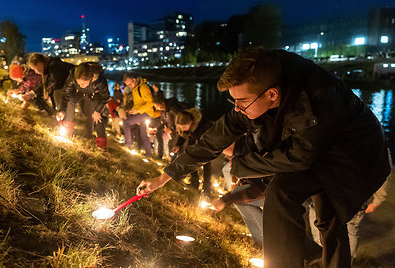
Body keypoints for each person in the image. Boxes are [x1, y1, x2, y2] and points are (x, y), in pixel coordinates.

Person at [137, 48, 391, 268]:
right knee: (294, 199)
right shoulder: (258, 93)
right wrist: (164, 177)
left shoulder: (316, 100)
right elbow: (212, 140)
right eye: (232, 100)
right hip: (312, 146)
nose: (236, 108)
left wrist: (240, 165)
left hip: (354, 152)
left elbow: (298, 158)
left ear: (272, 94)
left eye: (242, 101)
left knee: (323, 210)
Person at [56, 62, 110, 149]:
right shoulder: (73, 77)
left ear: (91, 78)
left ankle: (102, 146)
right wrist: (61, 110)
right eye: (79, 83)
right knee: (70, 101)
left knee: (97, 117)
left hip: (94, 96)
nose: (81, 85)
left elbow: (105, 97)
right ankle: (66, 132)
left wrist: (98, 111)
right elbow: (66, 94)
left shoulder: (100, 81)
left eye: (84, 83)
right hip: (79, 94)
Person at [174, 108, 214, 196]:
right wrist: (178, 145)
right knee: (191, 160)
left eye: (184, 127)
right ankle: (194, 182)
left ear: (191, 122)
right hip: (194, 143)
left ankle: (207, 188)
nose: (183, 129)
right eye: (181, 127)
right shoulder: (187, 127)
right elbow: (183, 135)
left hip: (207, 146)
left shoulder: (204, 125)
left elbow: (210, 139)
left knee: (206, 165)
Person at [122, 73, 160, 157]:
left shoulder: (143, 88)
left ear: (134, 80)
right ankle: (148, 154)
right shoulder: (135, 88)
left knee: (126, 123)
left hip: (146, 113)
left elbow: (150, 103)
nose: (129, 86)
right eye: (127, 85)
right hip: (141, 113)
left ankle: (128, 145)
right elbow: (138, 103)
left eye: (130, 84)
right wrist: (133, 110)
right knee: (144, 135)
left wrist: (138, 110)